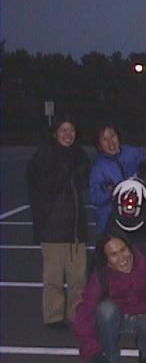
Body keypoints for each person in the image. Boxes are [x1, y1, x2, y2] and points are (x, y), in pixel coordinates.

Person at [73, 232, 146, 363]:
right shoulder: (100, 276)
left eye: (123, 250)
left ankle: (144, 346)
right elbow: (84, 314)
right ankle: (111, 358)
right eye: (114, 255)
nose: (122, 258)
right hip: (119, 316)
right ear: (106, 260)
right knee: (105, 310)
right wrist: (94, 354)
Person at [27, 115, 90, 329]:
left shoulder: (79, 155)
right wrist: (65, 170)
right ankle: (53, 317)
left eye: (71, 130)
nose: (68, 134)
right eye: (63, 130)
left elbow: (83, 183)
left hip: (75, 229)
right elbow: (42, 188)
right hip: (52, 228)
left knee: (78, 278)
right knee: (53, 278)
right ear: (55, 133)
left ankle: (76, 315)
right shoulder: (45, 155)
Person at [89, 122, 146, 234]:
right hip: (111, 222)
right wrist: (111, 192)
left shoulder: (133, 153)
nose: (110, 142)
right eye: (105, 139)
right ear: (99, 145)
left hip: (137, 216)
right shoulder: (98, 168)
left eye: (112, 136)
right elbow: (95, 197)